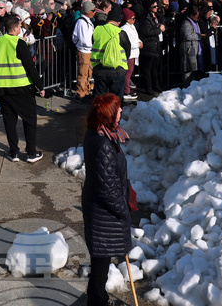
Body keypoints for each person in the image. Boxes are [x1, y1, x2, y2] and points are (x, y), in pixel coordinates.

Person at [81, 93, 132, 306]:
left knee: (100, 260)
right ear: (109, 113)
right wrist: (123, 210)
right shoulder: (103, 144)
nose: (121, 111)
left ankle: (98, 298)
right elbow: (107, 188)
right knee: (101, 262)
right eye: (118, 108)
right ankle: (97, 301)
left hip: (98, 208)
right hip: (104, 213)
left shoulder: (99, 133)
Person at [0, 13, 45, 163]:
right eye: (20, 27)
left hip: (3, 88)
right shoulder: (19, 43)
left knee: (9, 122)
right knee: (29, 121)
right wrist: (39, 86)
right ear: (15, 29)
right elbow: (30, 67)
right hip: (22, 88)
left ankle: (13, 152)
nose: (21, 29)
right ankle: (31, 153)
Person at [90, 7, 131, 101]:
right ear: (117, 22)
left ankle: (98, 115)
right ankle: (115, 115)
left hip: (99, 69)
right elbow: (127, 51)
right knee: (116, 99)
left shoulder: (97, 30)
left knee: (99, 98)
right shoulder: (121, 32)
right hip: (117, 70)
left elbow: (93, 44)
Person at [72, 0, 96, 98]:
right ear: (88, 11)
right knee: (82, 74)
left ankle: (86, 91)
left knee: (88, 73)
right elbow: (84, 40)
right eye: (93, 10)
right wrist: (92, 45)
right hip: (84, 51)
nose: (94, 12)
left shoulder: (88, 21)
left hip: (89, 51)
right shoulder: (82, 22)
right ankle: (81, 94)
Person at [120, 8, 142, 100]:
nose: (134, 20)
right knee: (127, 73)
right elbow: (127, 43)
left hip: (133, 53)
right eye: (133, 18)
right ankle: (126, 91)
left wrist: (140, 42)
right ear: (128, 19)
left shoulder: (132, 27)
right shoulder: (124, 29)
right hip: (129, 54)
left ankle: (126, 89)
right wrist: (137, 44)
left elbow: (136, 38)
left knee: (129, 72)